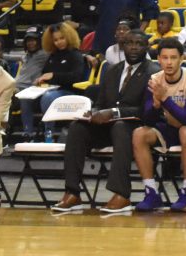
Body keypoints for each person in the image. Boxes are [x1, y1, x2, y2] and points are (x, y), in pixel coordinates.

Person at [49, 28, 159, 214]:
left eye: (139, 44)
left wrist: (114, 112)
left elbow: (146, 110)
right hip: (109, 126)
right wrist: (94, 114)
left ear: (146, 47)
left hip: (136, 126)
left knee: (120, 126)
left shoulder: (154, 72)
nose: (133, 47)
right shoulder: (112, 70)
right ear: (123, 46)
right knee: (77, 128)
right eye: (130, 43)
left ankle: (121, 195)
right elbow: (100, 103)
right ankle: (72, 193)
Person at [133, 37, 186, 212]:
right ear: (158, 59)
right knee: (139, 133)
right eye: (165, 58)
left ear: (182, 59)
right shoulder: (154, 79)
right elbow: (148, 119)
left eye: (173, 58)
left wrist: (165, 99)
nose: (169, 62)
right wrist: (155, 106)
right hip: (169, 126)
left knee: (185, 130)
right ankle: (151, 192)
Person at [18, 21, 91, 141]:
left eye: (62, 38)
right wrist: (40, 80)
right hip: (52, 90)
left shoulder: (75, 55)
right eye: (56, 40)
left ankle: (48, 133)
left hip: (70, 92)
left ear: (68, 36)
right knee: (25, 97)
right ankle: (28, 133)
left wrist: (53, 76)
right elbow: (46, 73)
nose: (59, 42)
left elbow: (75, 77)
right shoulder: (53, 56)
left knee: (48, 96)